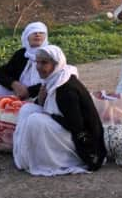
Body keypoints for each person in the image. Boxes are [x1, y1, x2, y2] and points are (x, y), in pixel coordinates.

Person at [13, 45, 106, 176]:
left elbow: (76, 125)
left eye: (44, 63)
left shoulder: (66, 89)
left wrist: (48, 115)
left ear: (56, 64)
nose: (38, 67)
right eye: (37, 62)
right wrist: (41, 101)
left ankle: (49, 161)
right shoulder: (53, 80)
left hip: (82, 139)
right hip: (66, 128)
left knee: (35, 120)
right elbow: (53, 106)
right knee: (27, 109)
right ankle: (27, 157)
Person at [0, 21, 48, 100]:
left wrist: (29, 91)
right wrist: (15, 84)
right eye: (33, 32)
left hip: (41, 91)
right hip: (20, 91)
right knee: (0, 89)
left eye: (41, 32)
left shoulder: (51, 54)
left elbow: (55, 79)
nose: (37, 34)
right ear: (26, 36)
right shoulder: (22, 54)